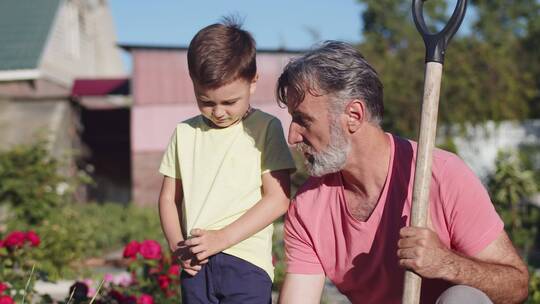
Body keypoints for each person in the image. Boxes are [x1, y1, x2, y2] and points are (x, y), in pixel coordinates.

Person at [276, 41, 529, 304]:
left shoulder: (442, 175)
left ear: (353, 115)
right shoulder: (308, 207)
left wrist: (446, 263)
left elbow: (517, 285)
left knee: (463, 299)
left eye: (303, 120)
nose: (293, 136)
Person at [158, 17, 295, 304]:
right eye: (206, 101)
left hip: (246, 264)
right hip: (196, 265)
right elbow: (169, 198)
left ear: (253, 81)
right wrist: (176, 245)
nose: (218, 112)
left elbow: (278, 199)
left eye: (229, 102)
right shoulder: (184, 133)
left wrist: (223, 238)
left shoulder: (266, 128)